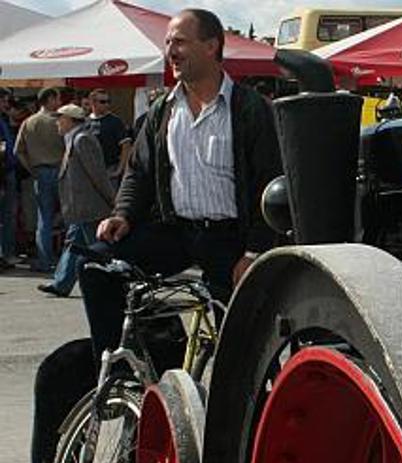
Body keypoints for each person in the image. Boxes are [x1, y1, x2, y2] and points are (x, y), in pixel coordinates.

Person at [79, 8, 282, 360]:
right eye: (168, 42)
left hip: (230, 240)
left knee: (240, 352)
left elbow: (270, 184)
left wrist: (254, 253)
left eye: (180, 42)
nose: (171, 50)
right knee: (96, 268)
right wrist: (122, 214)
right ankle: (129, 367)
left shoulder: (250, 109)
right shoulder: (163, 110)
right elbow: (139, 172)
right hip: (175, 232)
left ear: (211, 46)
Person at [38, 104, 113, 297]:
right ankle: (61, 284)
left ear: (70, 120)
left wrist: (112, 201)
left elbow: (97, 174)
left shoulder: (83, 139)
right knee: (73, 245)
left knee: (97, 249)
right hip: (79, 208)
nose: (57, 122)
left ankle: (111, 285)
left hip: (89, 206)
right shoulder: (73, 138)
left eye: (60, 119)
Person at [14, 87, 63, 272]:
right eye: (57, 98)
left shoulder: (29, 122)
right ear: (50, 99)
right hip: (60, 171)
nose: (60, 102)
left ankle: (44, 260)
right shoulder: (60, 121)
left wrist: (31, 168)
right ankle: (69, 260)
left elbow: (18, 151)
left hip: (40, 173)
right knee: (70, 216)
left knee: (44, 218)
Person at [85, 88, 131, 186]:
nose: (106, 105)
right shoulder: (86, 121)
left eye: (108, 101)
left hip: (110, 168)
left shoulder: (115, 121)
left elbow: (126, 146)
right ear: (93, 103)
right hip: (91, 169)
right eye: (103, 102)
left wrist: (119, 169)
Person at [0, 89, 16, 269]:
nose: (7, 105)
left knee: (7, 217)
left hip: (7, 172)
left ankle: (5, 254)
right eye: (4, 101)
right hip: (3, 174)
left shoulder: (3, 120)